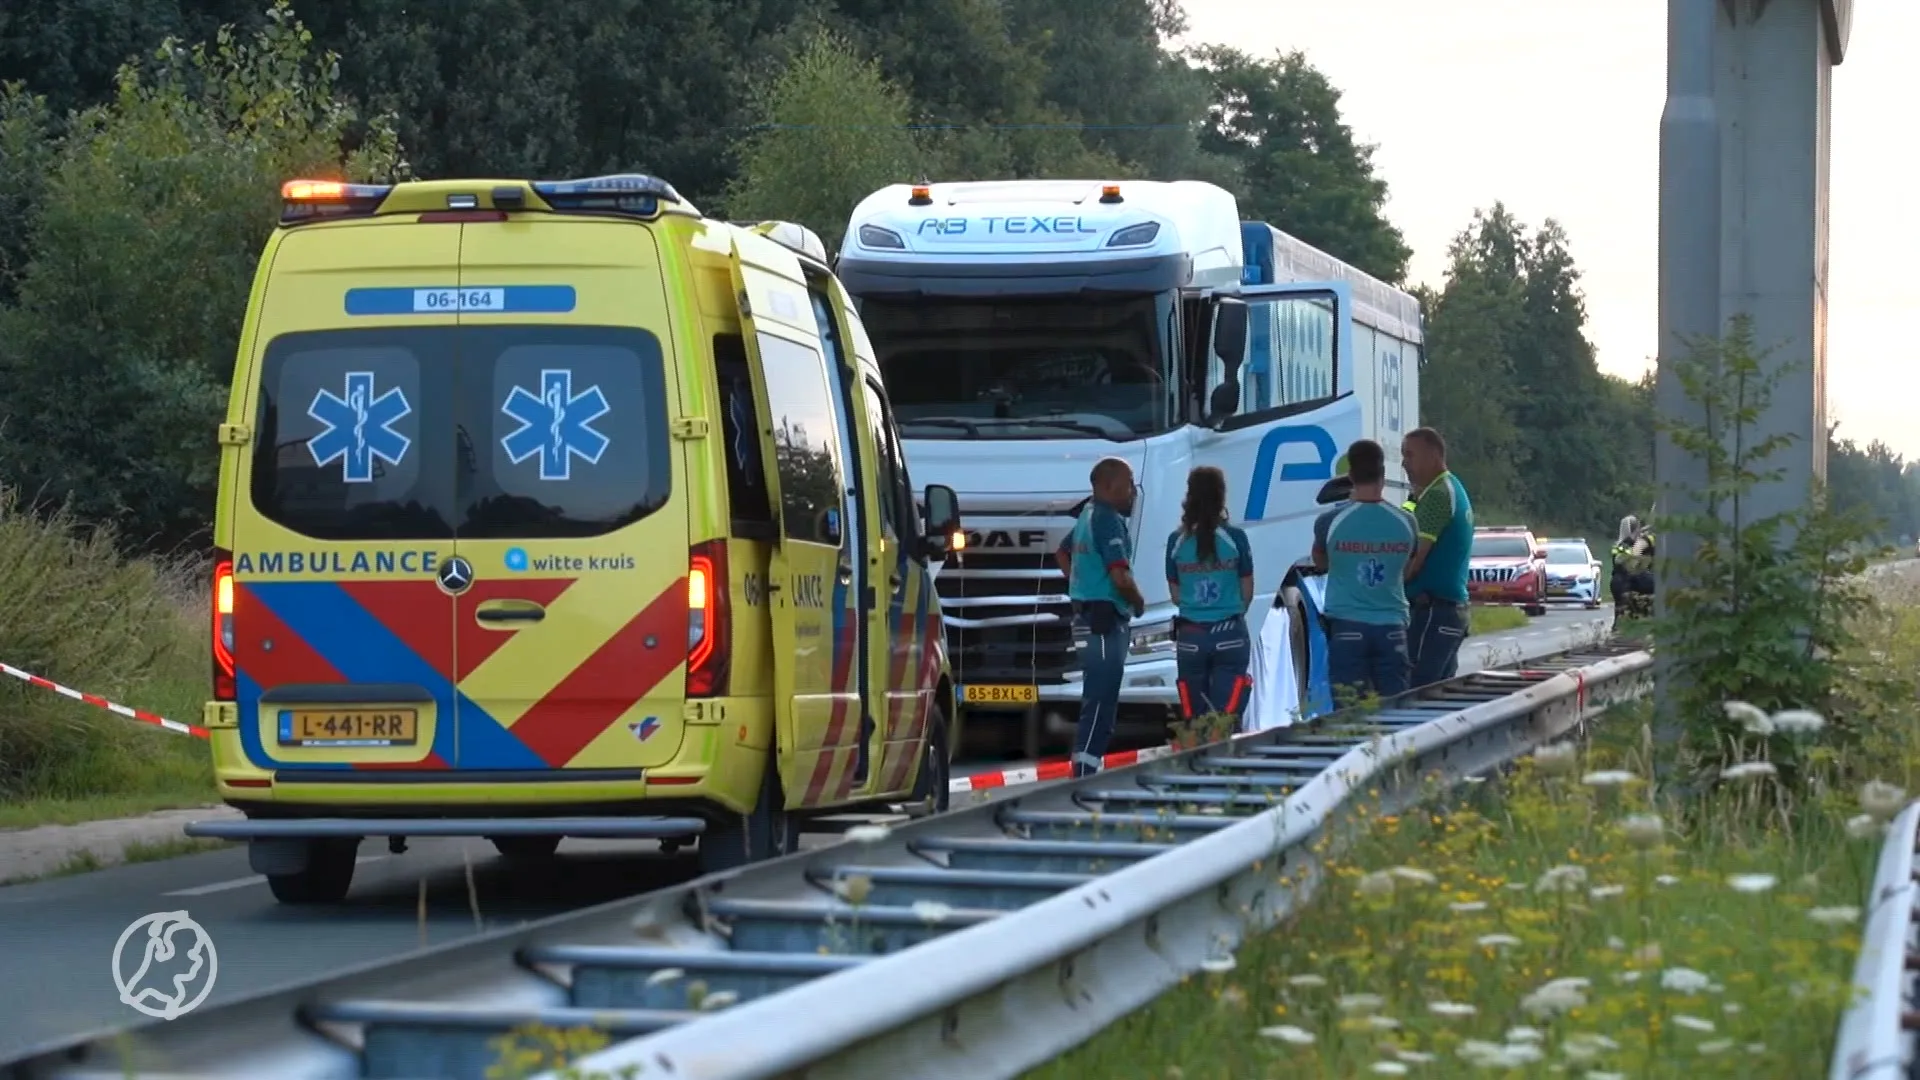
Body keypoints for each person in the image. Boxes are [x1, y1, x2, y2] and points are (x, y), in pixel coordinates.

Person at [1054, 457, 1145, 777]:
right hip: (1104, 617)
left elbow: (1062, 553)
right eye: (1129, 483)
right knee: (1102, 697)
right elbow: (1120, 576)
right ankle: (1083, 773)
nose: (1133, 490)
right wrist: (1138, 601)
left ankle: (1086, 768)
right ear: (1109, 486)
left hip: (1088, 613)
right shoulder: (1106, 518)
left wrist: (1079, 585)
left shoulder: (1086, 516)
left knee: (1098, 694)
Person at [1312, 439, 1418, 702]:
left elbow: (1321, 563)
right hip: (1392, 626)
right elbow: (1407, 567)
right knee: (1395, 711)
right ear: (1383, 475)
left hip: (1347, 626)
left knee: (1349, 711)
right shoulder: (1407, 522)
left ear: (1350, 476)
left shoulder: (1329, 522)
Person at [1164, 466, 1256, 723]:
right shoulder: (1235, 538)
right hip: (1230, 634)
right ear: (1221, 497)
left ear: (1189, 496)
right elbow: (1247, 591)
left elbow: (1175, 595)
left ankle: (1197, 759)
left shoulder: (1176, 541)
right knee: (1225, 718)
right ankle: (1225, 760)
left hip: (1190, 636)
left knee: (1195, 720)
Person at [1400, 427, 1475, 688]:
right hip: (1447, 611)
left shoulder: (1438, 495)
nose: (1404, 463)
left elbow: (1414, 560)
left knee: (1414, 691)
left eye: (1410, 456)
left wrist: (1386, 589)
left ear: (1433, 456)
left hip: (1433, 612)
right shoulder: (1447, 489)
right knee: (1437, 693)